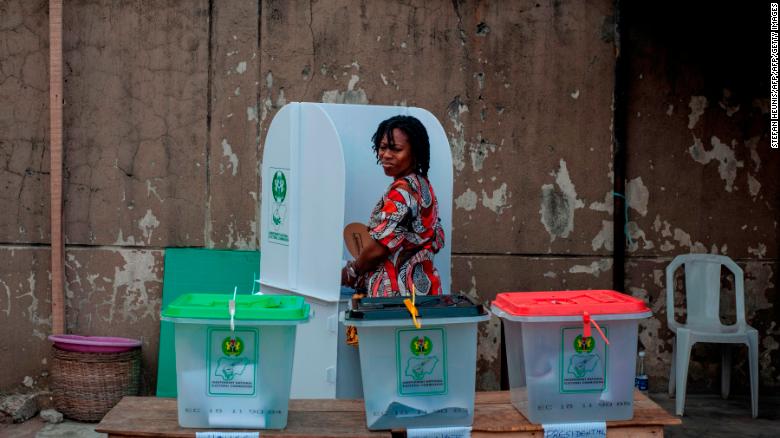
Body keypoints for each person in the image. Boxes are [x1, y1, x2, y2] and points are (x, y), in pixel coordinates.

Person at [341, 115, 445, 297]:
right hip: (423, 292)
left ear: (415, 153)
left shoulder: (401, 191)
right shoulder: (422, 185)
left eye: (396, 149)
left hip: (396, 298)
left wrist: (353, 270)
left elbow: (379, 248)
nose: (386, 155)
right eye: (382, 148)